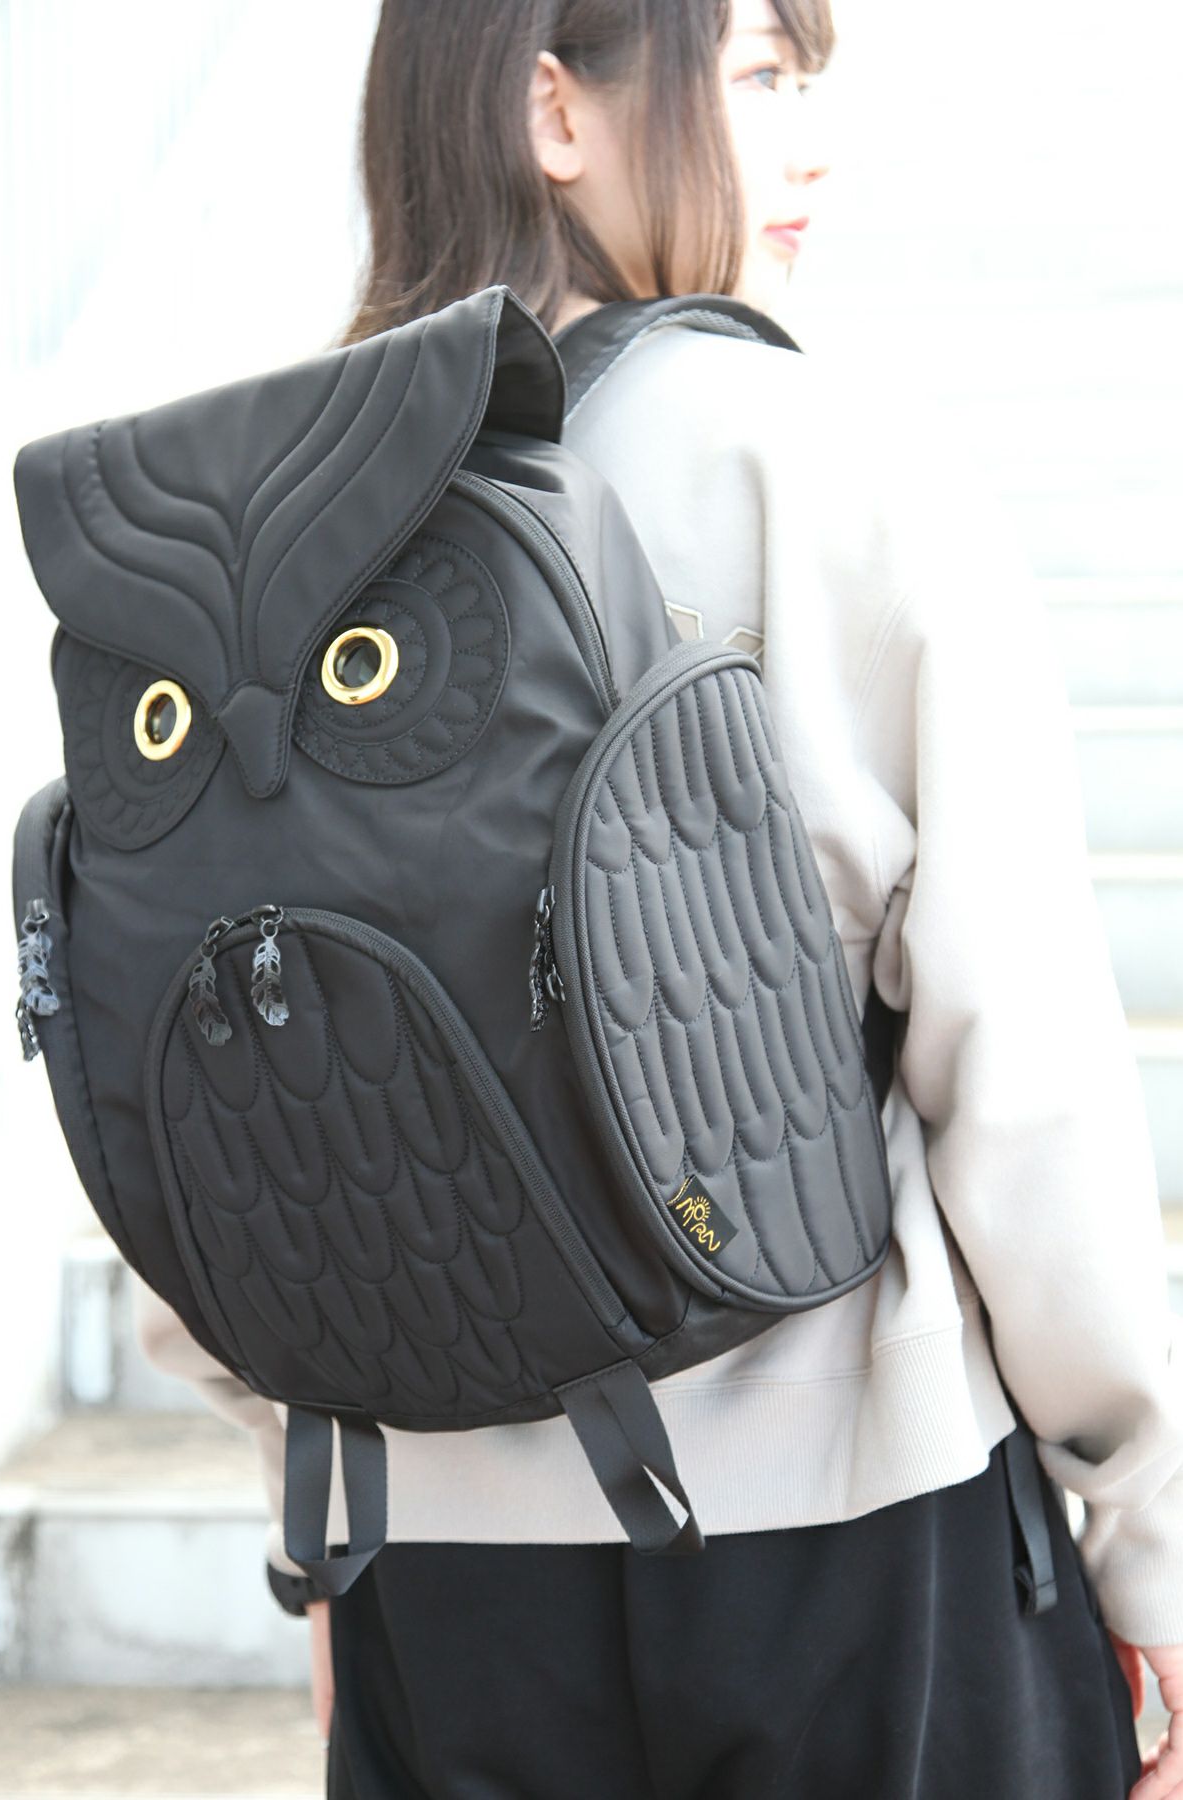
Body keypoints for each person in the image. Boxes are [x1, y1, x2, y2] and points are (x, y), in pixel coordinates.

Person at [131, 1, 1183, 1793]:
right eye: (760, 73)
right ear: (554, 109)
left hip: (434, 1569)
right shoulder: (820, 459)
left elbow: (183, 1057)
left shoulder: (259, 523)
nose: (811, 141)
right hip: (850, 1534)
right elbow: (1019, 1070)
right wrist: (1146, 1523)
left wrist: (327, 1491)